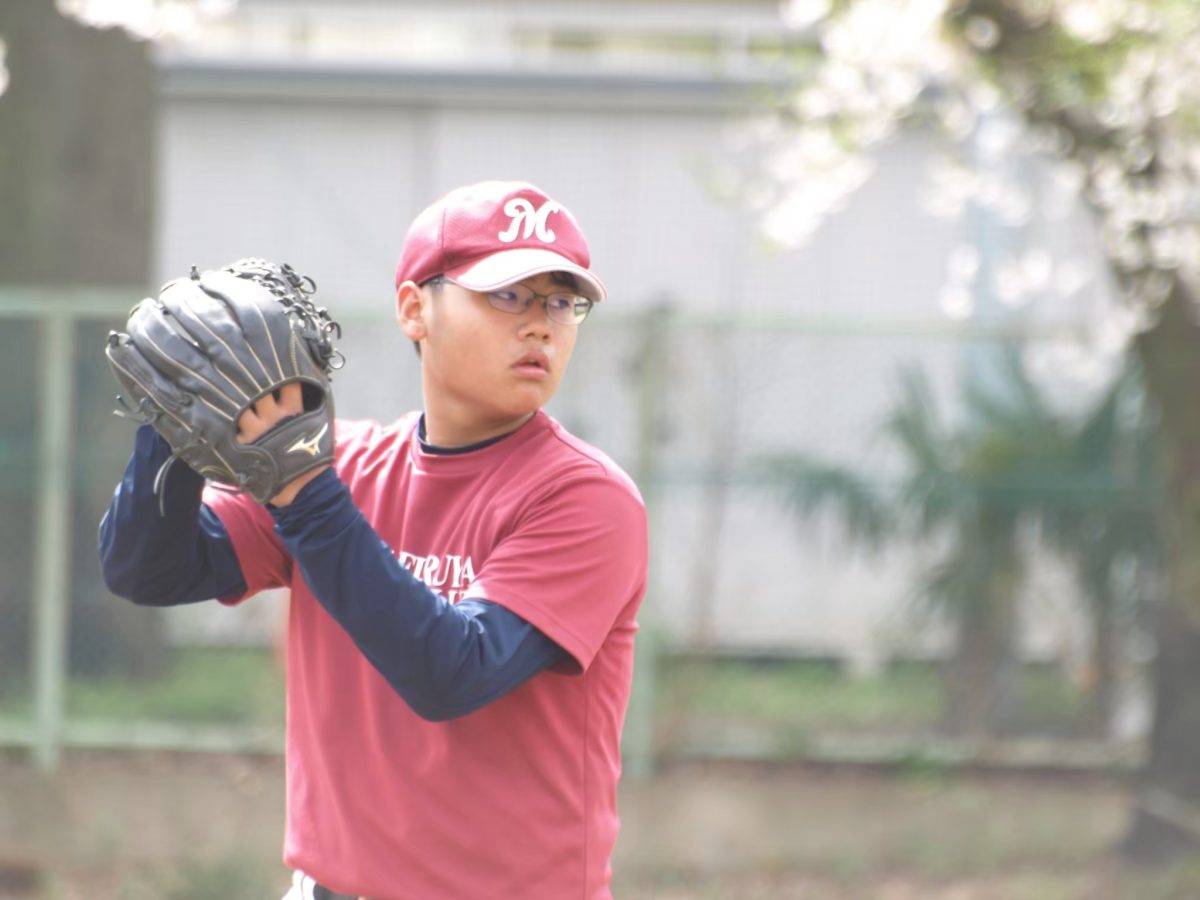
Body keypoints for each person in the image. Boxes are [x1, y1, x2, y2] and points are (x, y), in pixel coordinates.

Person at [98, 180, 650, 900]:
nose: (541, 325)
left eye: (561, 301)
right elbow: (149, 571)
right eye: (508, 295)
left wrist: (303, 490)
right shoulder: (346, 467)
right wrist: (170, 431)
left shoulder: (584, 498)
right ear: (414, 309)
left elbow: (453, 672)